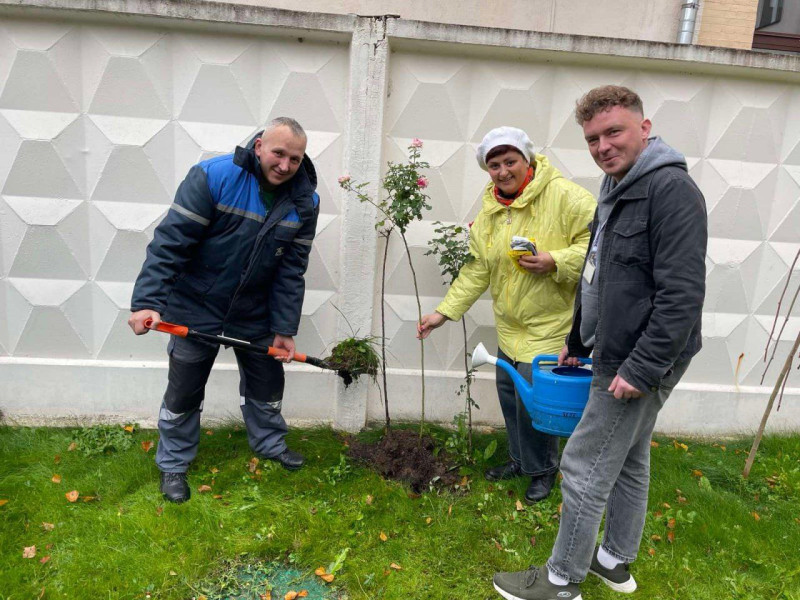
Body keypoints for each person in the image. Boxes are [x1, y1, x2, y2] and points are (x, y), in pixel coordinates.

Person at [492, 86, 707, 600]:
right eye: (592, 139)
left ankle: (561, 580)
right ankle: (613, 561)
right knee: (629, 458)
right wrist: (578, 339)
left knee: (583, 463)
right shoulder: (616, 186)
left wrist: (642, 367)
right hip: (614, 348)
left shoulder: (670, 191)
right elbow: (598, 273)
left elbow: (681, 295)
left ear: (644, 128)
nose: (603, 146)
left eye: (614, 132)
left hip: (639, 357)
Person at [128, 117, 319, 504]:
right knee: (184, 388)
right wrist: (148, 301)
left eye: (295, 159)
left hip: (255, 310)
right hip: (195, 304)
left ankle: (270, 444)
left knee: (267, 382)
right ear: (259, 146)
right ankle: (174, 463)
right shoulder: (213, 177)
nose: (285, 165)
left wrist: (284, 328)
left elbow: (291, 269)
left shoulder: (306, 202)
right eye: (278, 153)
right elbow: (171, 243)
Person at [418, 126, 596, 504]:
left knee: (535, 403)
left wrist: (555, 260)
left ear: (527, 160)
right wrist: (443, 313)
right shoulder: (491, 213)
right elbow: (476, 270)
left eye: (510, 161)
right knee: (510, 395)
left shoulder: (566, 196)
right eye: (494, 165)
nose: (502, 171)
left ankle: (542, 470)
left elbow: (599, 247)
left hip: (551, 325)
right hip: (510, 328)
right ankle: (520, 460)